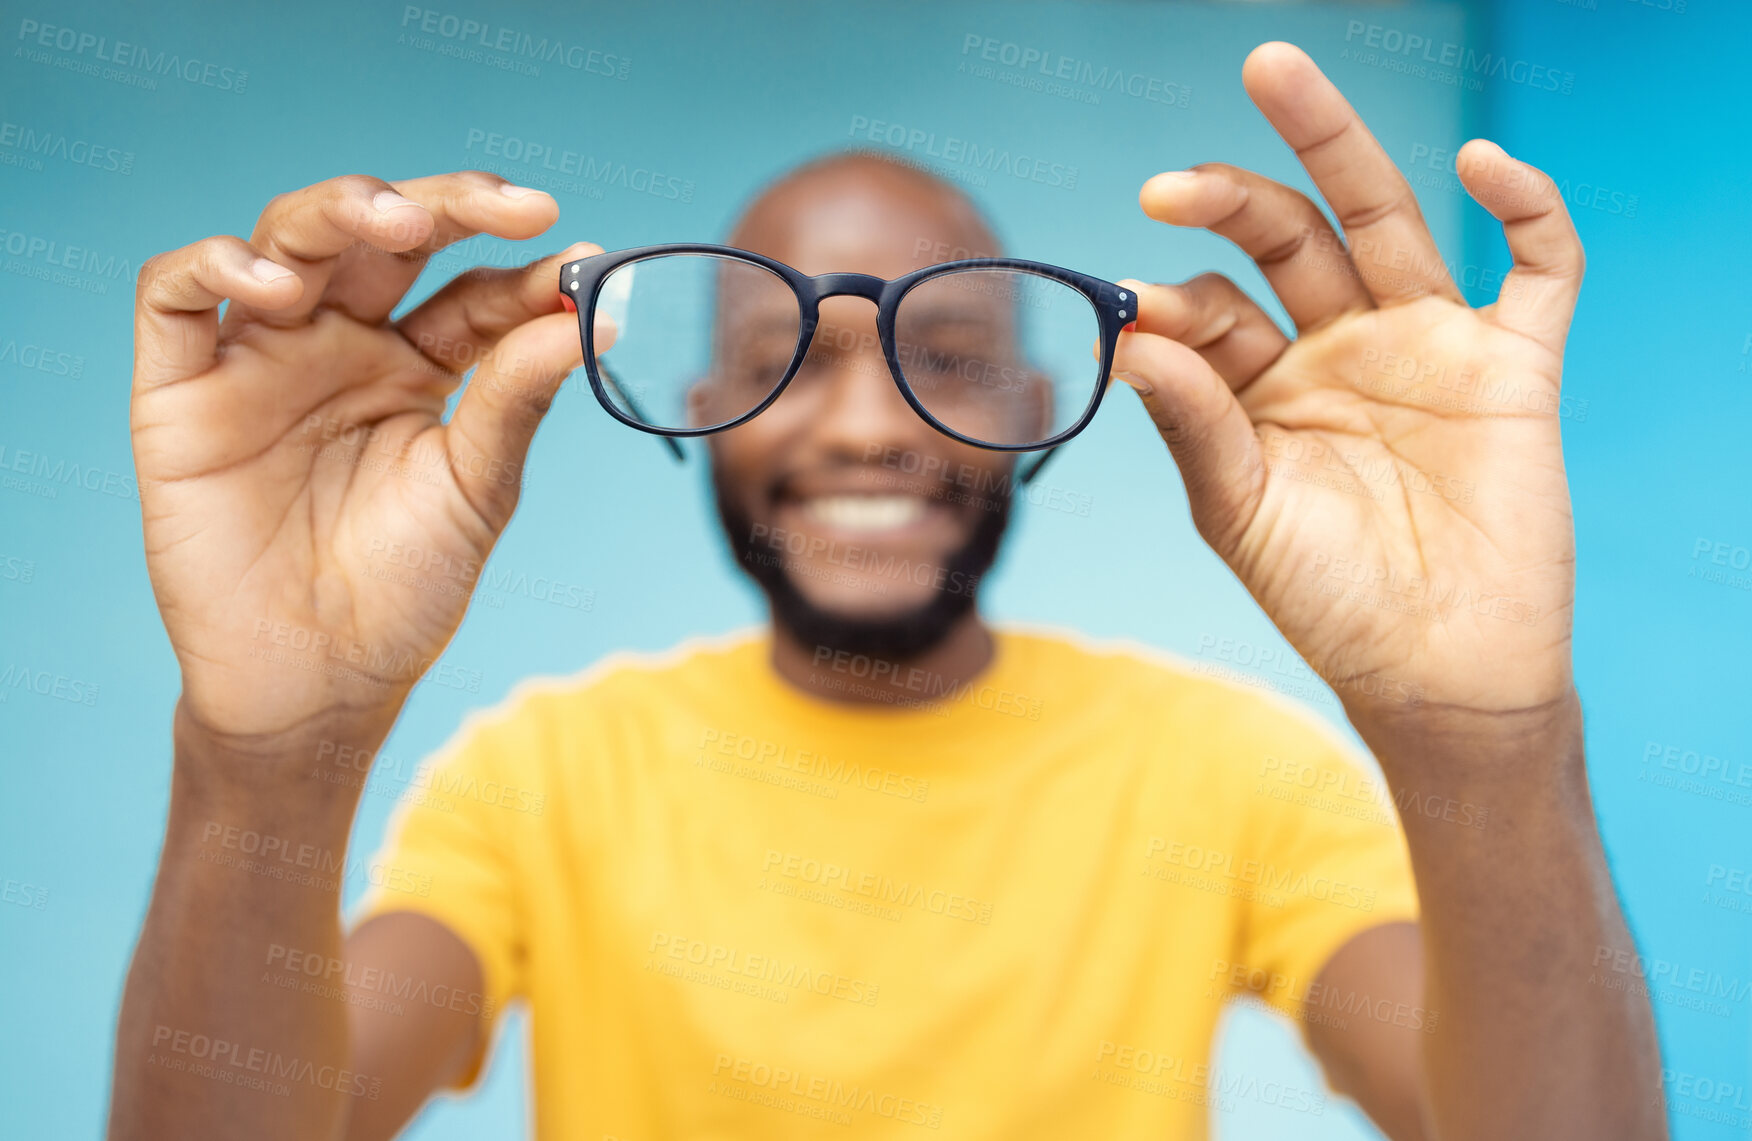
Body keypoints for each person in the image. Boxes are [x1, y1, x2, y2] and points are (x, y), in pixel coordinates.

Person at [108, 42, 1664, 1141]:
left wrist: (1487, 744)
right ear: (698, 398)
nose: (866, 424)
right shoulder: (543, 779)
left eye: (952, 358)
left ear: (1045, 406)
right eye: (788, 361)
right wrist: (267, 752)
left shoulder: (1225, 772)